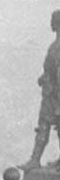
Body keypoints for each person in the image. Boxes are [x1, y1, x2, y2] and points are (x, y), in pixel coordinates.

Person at [24, 9, 60, 169]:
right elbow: (50, 71)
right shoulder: (54, 46)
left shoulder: (57, 48)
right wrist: (43, 78)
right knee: (45, 125)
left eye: (53, 21)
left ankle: (35, 159)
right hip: (51, 92)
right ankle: (35, 159)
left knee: (47, 124)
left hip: (55, 94)